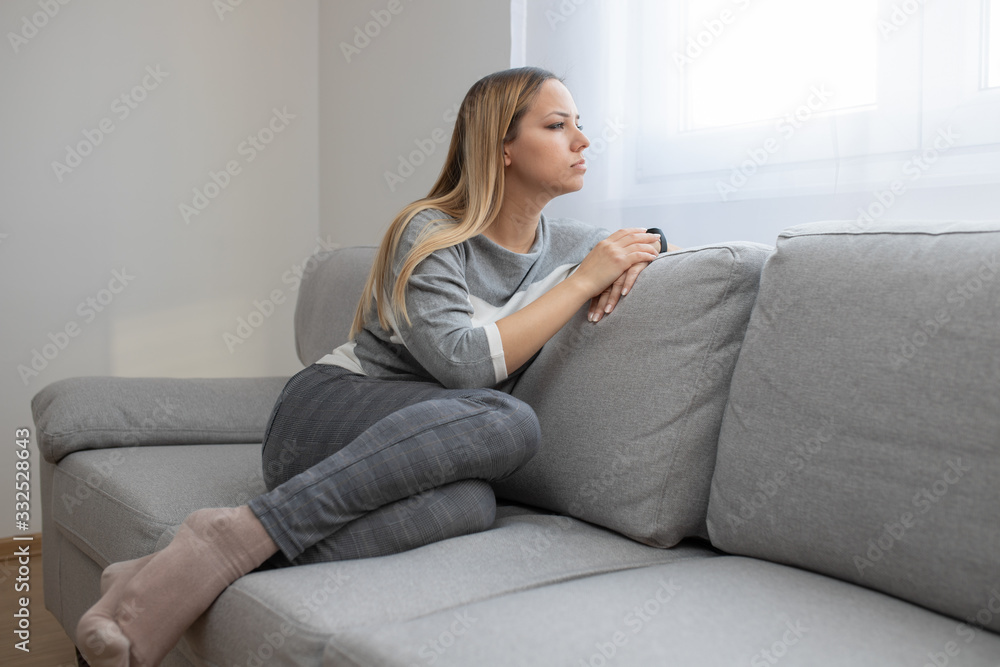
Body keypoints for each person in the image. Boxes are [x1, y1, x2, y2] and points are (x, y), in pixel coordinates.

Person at [76, 66, 668, 667]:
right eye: (557, 124)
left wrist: (644, 249)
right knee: (509, 422)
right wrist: (586, 281)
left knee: (471, 506)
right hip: (326, 415)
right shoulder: (431, 232)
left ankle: (186, 566)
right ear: (502, 146)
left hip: (406, 449)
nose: (582, 140)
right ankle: (225, 539)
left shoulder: (566, 245)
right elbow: (464, 366)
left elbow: (654, 239)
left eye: (580, 125)